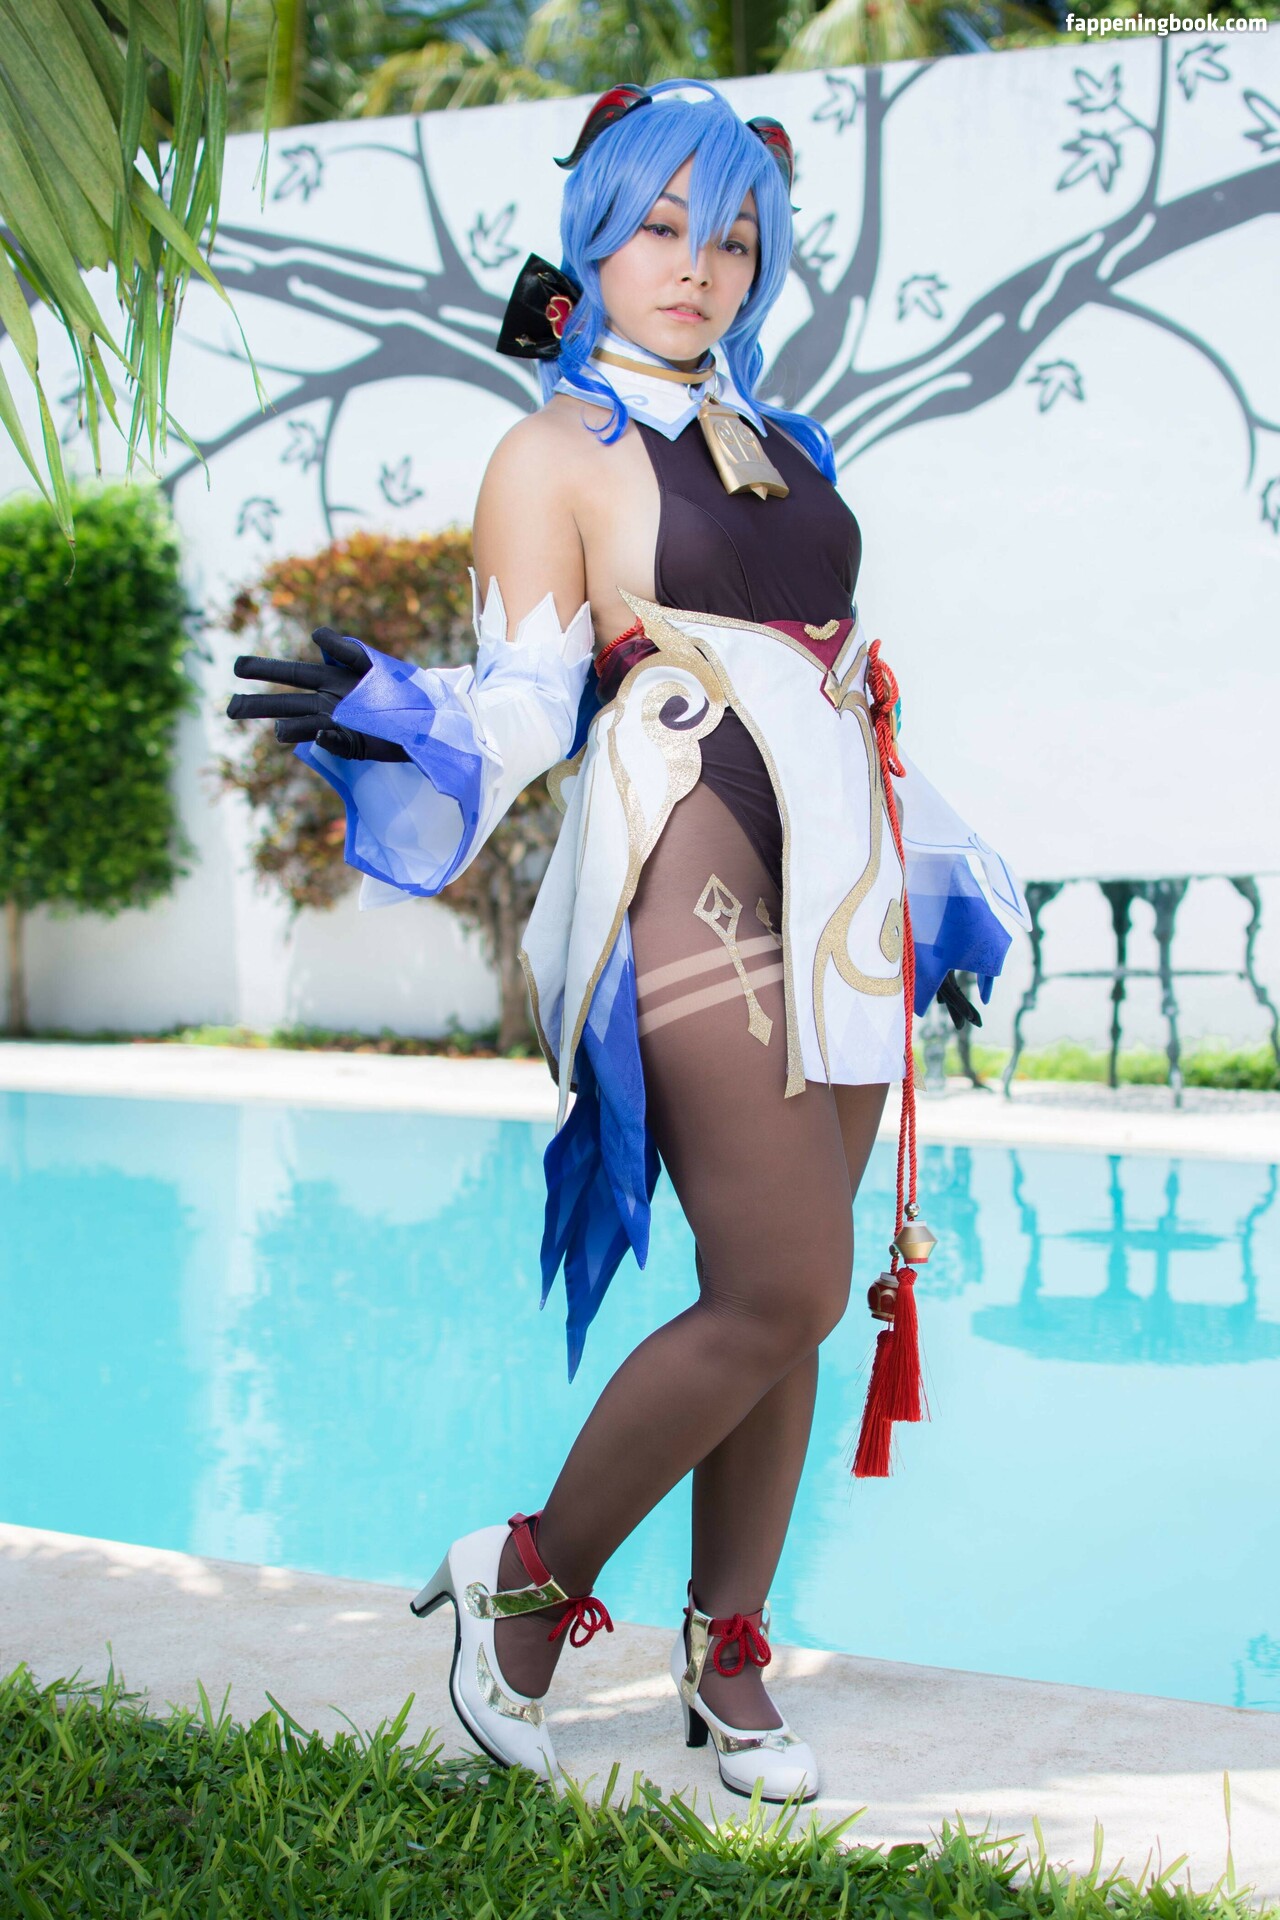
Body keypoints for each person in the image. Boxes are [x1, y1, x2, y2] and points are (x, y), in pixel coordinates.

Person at [227, 79, 1029, 1802]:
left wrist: (940, 876)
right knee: (790, 1279)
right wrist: (393, 707)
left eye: (732, 237)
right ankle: (524, 1578)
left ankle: (727, 1653)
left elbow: (839, 680)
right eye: (662, 226)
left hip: (843, 878)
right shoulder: (549, 456)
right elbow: (528, 701)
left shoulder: (792, 441)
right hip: (688, 845)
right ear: (593, 236)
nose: (698, 265)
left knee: (785, 1301)